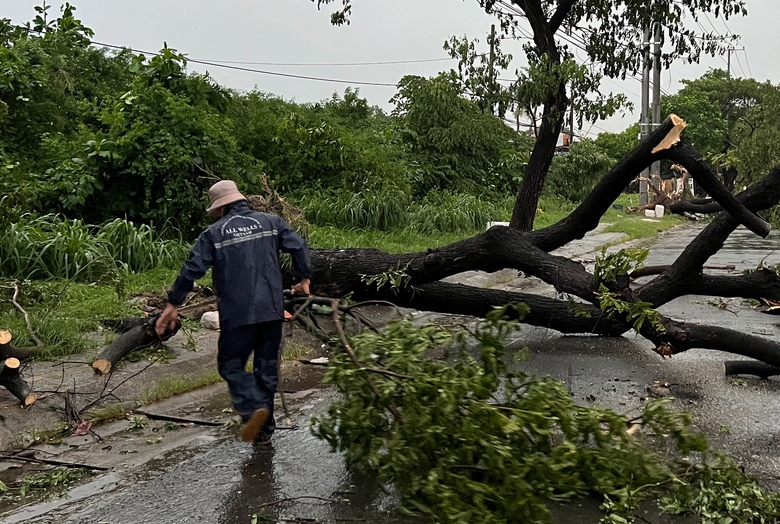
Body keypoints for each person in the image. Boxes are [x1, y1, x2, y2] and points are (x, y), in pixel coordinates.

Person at [155, 180, 312, 444]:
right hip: (272, 310)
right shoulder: (271, 222)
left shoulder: (213, 234)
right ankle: (263, 433)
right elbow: (298, 246)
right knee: (267, 370)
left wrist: (172, 304)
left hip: (237, 315)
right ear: (240, 200)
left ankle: (252, 410)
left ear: (219, 208)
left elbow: (192, 269)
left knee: (231, 366)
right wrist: (304, 278)